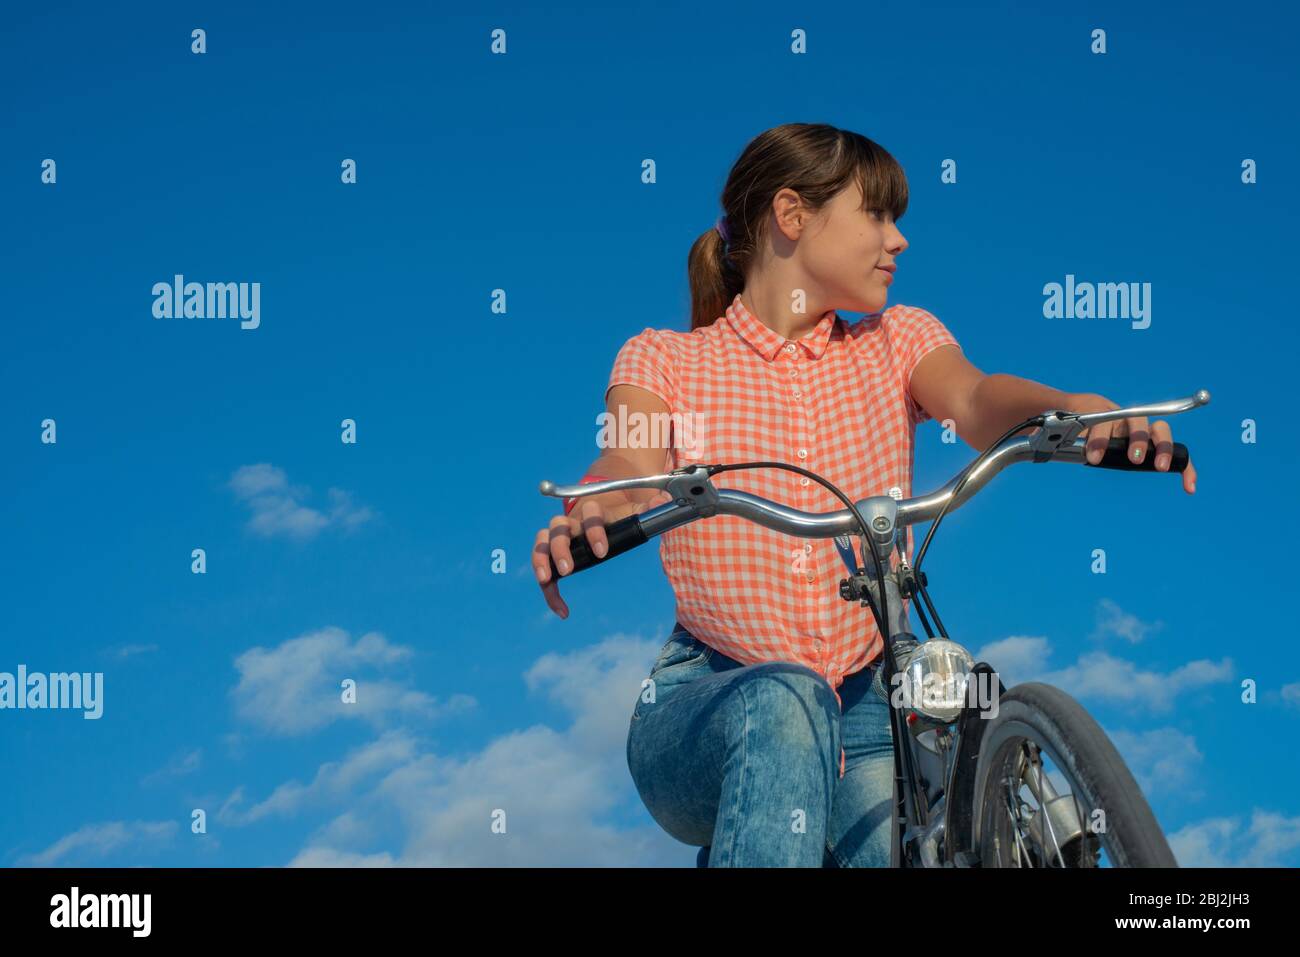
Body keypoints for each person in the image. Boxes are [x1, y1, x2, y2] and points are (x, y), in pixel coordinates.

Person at [532, 122, 1197, 867]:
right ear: (792, 216)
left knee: (966, 726)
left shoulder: (897, 340)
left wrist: (1071, 405)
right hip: (706, 699)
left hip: (872, 697)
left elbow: (975, 400)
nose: (899, 239)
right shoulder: (664, 357)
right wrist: (597, 505)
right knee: (784, 700)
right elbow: (628, 452)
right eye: (876, 214)